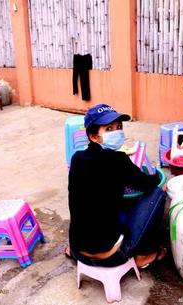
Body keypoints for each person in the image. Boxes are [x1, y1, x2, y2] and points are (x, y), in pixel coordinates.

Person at [66, 104, 166, 269]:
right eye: (109, 129)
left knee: (89, 203)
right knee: (157, 193)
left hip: (78, 252)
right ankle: (143, 254)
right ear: (94, 137)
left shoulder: (77, 159)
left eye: (119, 127)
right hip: (112, 257)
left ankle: (75, 249)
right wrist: (154, 176)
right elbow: (148, 183)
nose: (117, 132)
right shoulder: (118, 161)